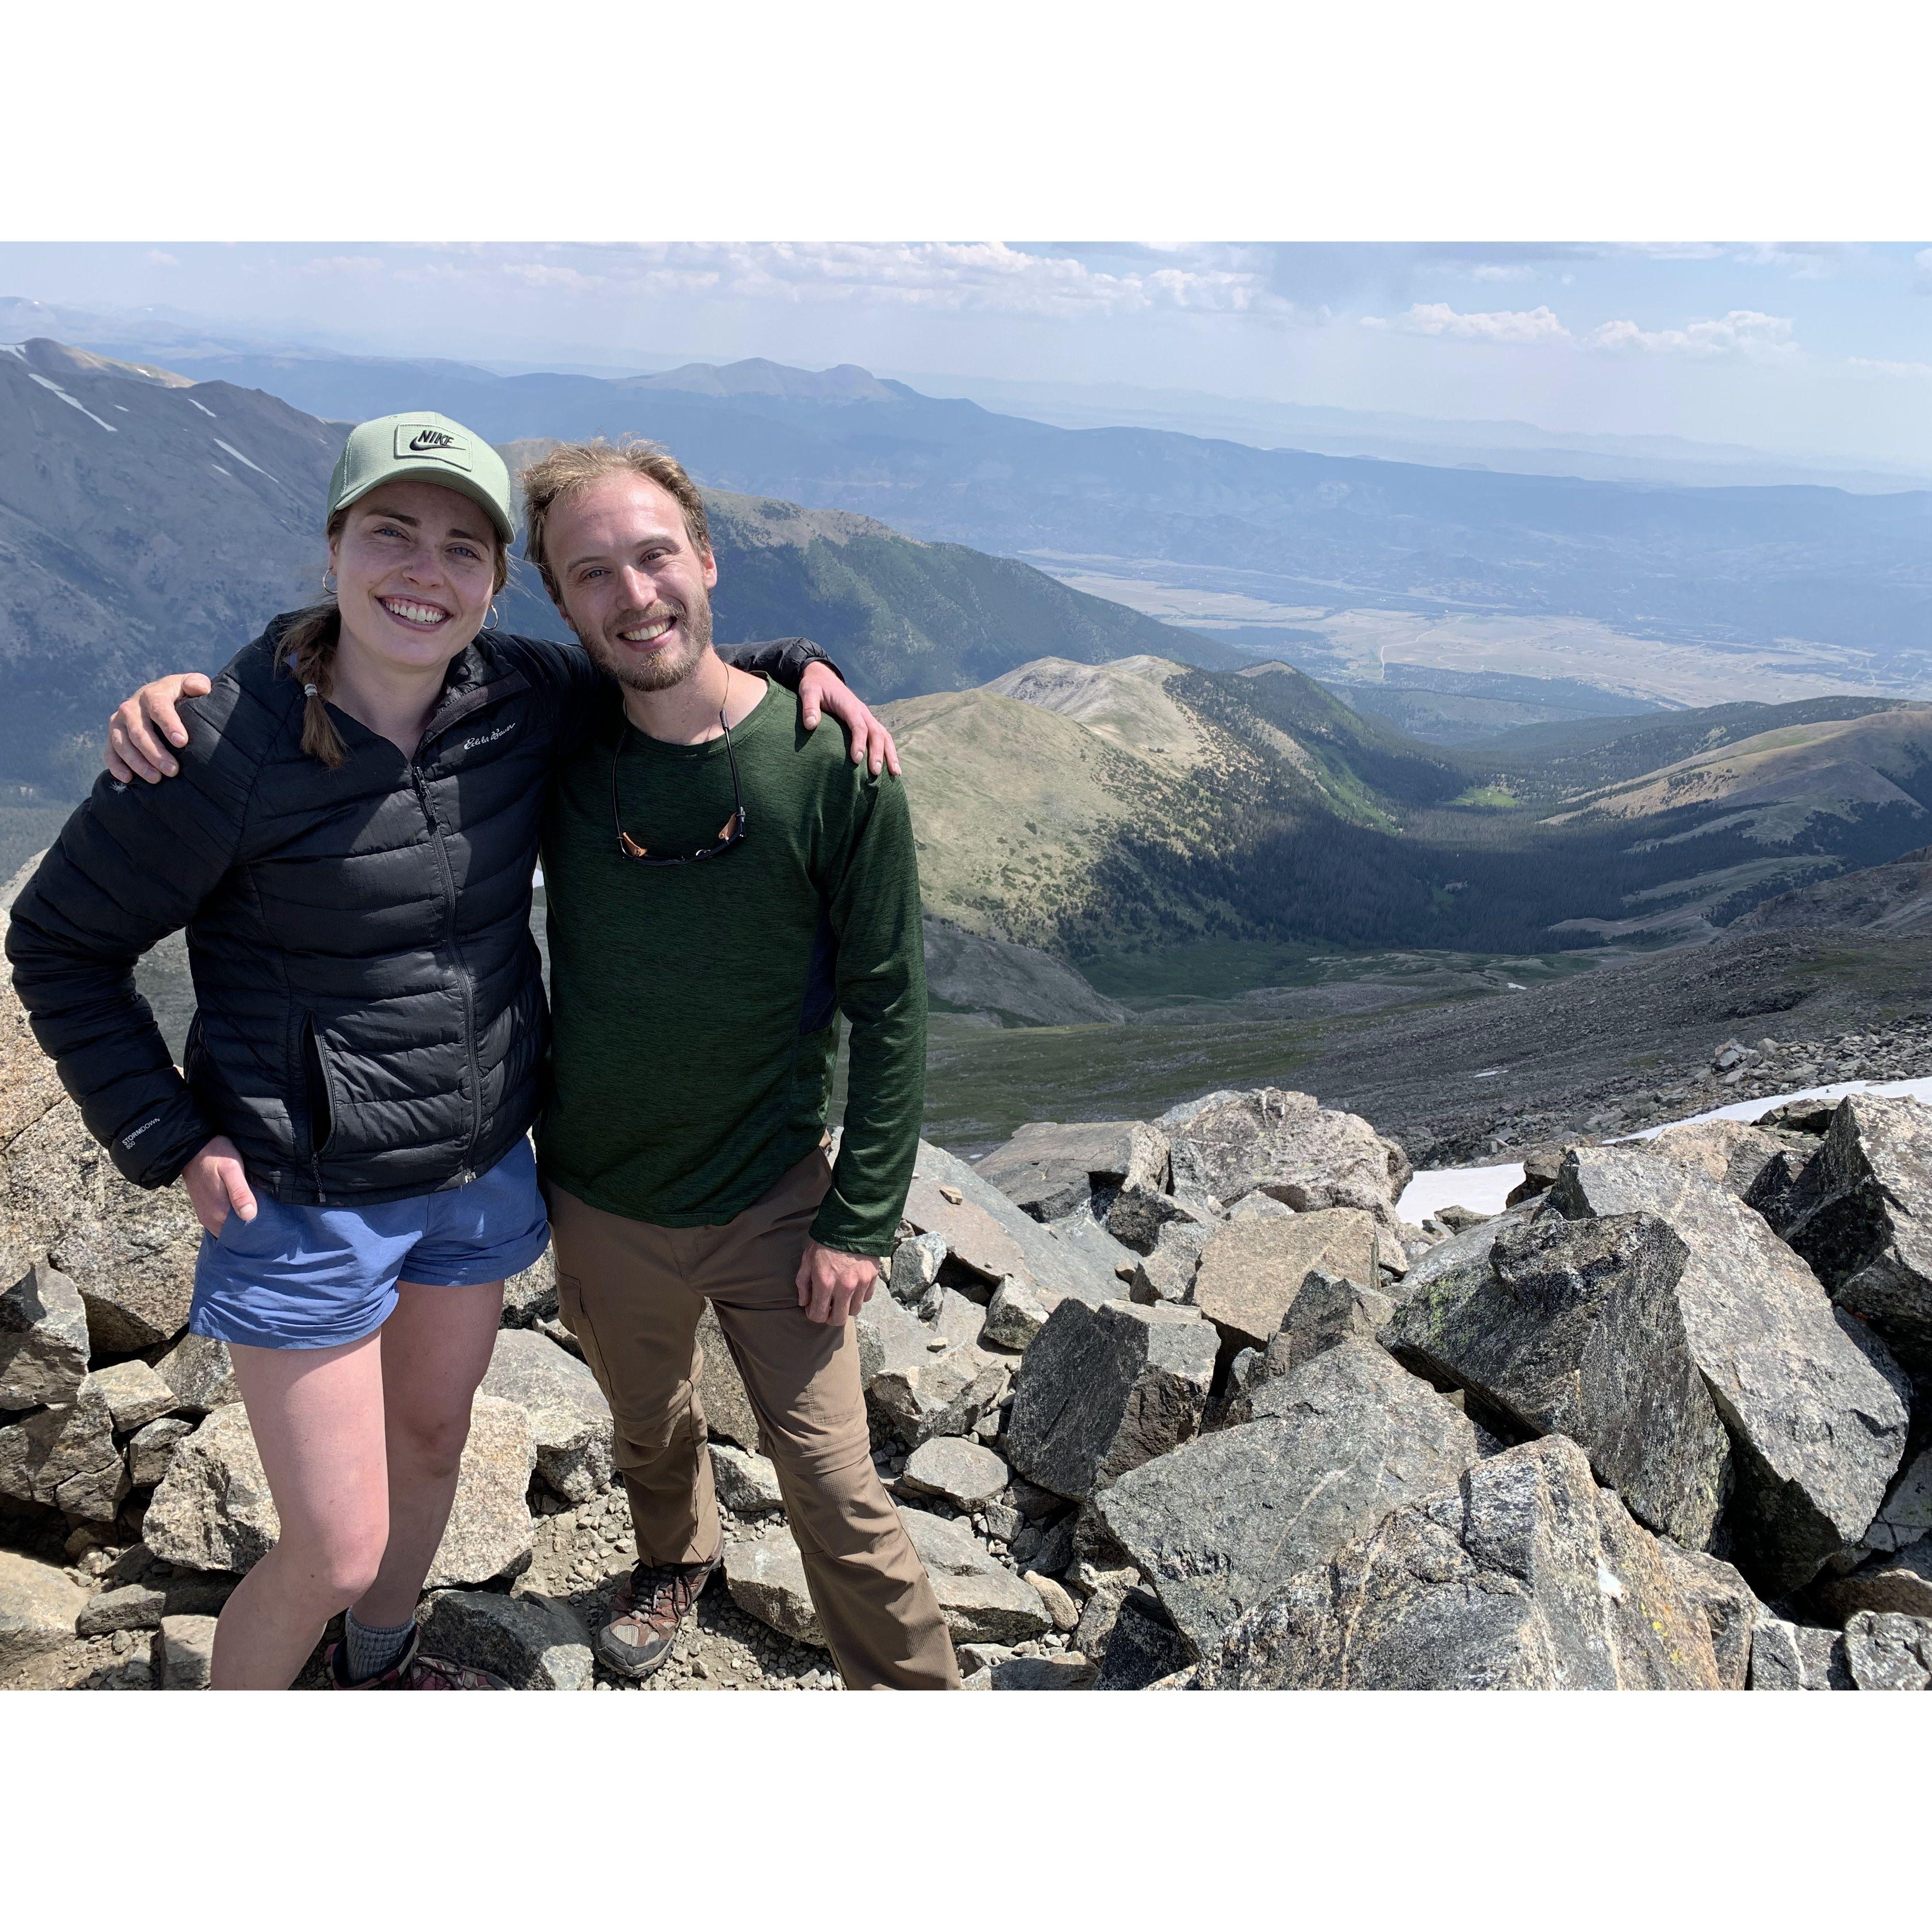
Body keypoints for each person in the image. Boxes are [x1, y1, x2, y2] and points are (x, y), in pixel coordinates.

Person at [9, 411, 895, 1690]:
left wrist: (804, 664)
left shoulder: (517, 696)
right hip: (304, 1194)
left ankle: (378, 1670)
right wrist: (169, 1133)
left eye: (462, 548)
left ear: (495, 583)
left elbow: (658, 656)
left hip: (476, 1177)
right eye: (392, 533)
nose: (424, 572)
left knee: (430, 1448)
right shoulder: (217, 745)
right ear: (333, 548)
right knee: (333, 1544)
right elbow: (56, 944)